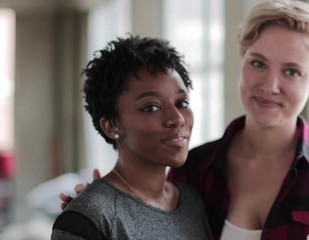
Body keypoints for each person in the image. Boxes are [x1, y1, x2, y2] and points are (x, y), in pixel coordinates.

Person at [62, 1, 309, 239]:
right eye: (258, 64)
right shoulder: (192, 170)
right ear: (241, 60)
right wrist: (100, 207)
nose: (269, 85)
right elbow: (145, 216)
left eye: (291, 71)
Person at [52, 35, 212, 240]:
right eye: (151, 107)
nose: (178, 119)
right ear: (111, 126)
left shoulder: (191, 202)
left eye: (182, 103)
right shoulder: (89, 218)